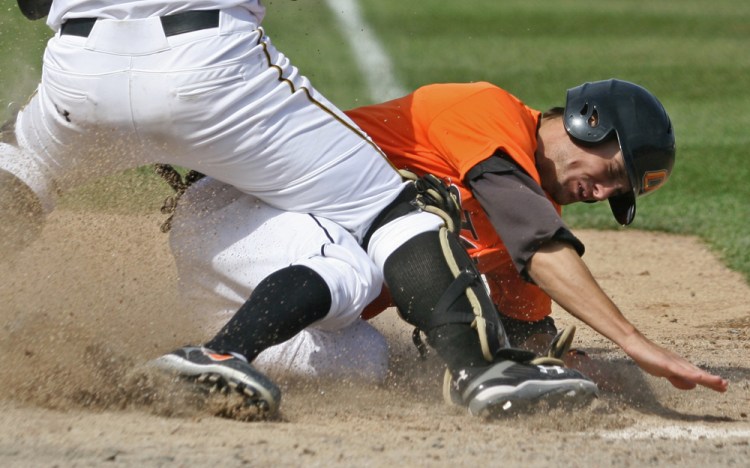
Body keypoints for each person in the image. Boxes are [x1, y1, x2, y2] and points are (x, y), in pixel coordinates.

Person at [2, 1, 596, 418]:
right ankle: (480, 371)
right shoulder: (483, 111)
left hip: (78, 73)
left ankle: (160, 361)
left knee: (22, 161)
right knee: (399, 209)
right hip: (212, 69)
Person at [165, 79, 728, 403]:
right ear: (589, 120)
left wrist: (586, 370)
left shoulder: (530, 212)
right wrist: (633, 340)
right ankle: (220, 352)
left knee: (365, 359)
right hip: (241, 214)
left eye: (617, 193)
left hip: (267, 281)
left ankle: (158, 369)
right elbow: (536, 238)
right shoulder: (488, 113)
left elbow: (528, 332)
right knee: (353, 268)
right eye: (612, 171)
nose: (602, 191)